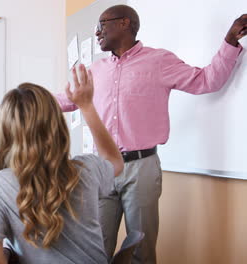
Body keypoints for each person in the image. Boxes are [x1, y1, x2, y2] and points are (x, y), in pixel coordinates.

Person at [55, 5, 246, 264]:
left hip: (141, 167)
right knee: (95, 247)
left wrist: (229, 42)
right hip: (101, 169)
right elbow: (67, 100)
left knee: (140, 250)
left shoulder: (159, 61)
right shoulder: (96, 70)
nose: (97, 32)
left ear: (124, 23)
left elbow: (206, 81)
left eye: (102, 24)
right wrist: (21, 102)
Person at [0, 65, 124, 264]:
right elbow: (115, 161)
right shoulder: (87, 169)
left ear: (2, 131)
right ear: (58, 126)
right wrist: (86, 106)